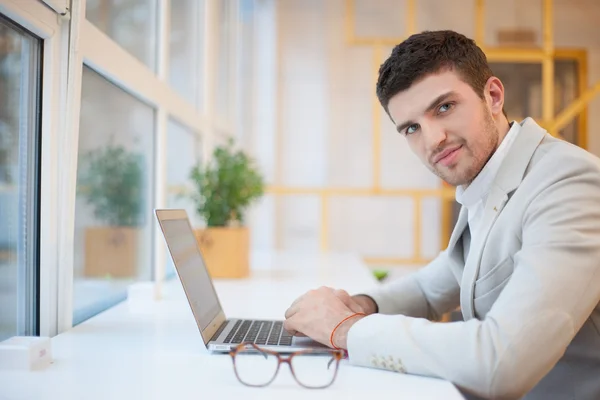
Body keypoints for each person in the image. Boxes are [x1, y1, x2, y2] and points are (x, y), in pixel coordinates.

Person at [283, 30, 600, 400]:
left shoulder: (570, 184)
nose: (432, 139)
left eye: (444, 107)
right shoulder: (488, 177)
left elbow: (503, 362)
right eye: (412, 128)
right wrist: (358, 305)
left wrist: (347, 330)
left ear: (493, 96)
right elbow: (433, 286)